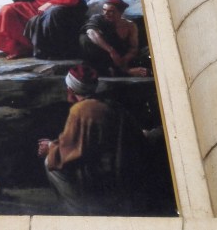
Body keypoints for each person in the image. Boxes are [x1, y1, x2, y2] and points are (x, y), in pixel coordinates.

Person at [37, 66, 146, 215]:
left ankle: (77, 211)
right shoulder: (110, 104)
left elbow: (69, 150)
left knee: (51, 164)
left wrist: (50, 147)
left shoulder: (80, 110)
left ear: (71, 90)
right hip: (120, 169)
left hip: (99, 174)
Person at [79, 0, 144, 76]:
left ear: (120, 13)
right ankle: (119, 71)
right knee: (85, 38)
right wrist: (111, 50)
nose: (106, 13)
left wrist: (125, 59)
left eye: (111, 11)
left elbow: (133, 47)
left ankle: (122, 70)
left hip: (121, 57)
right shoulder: (98, 19)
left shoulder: (130, 26)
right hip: (104, 54)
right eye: (104, 10)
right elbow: (91, 32)